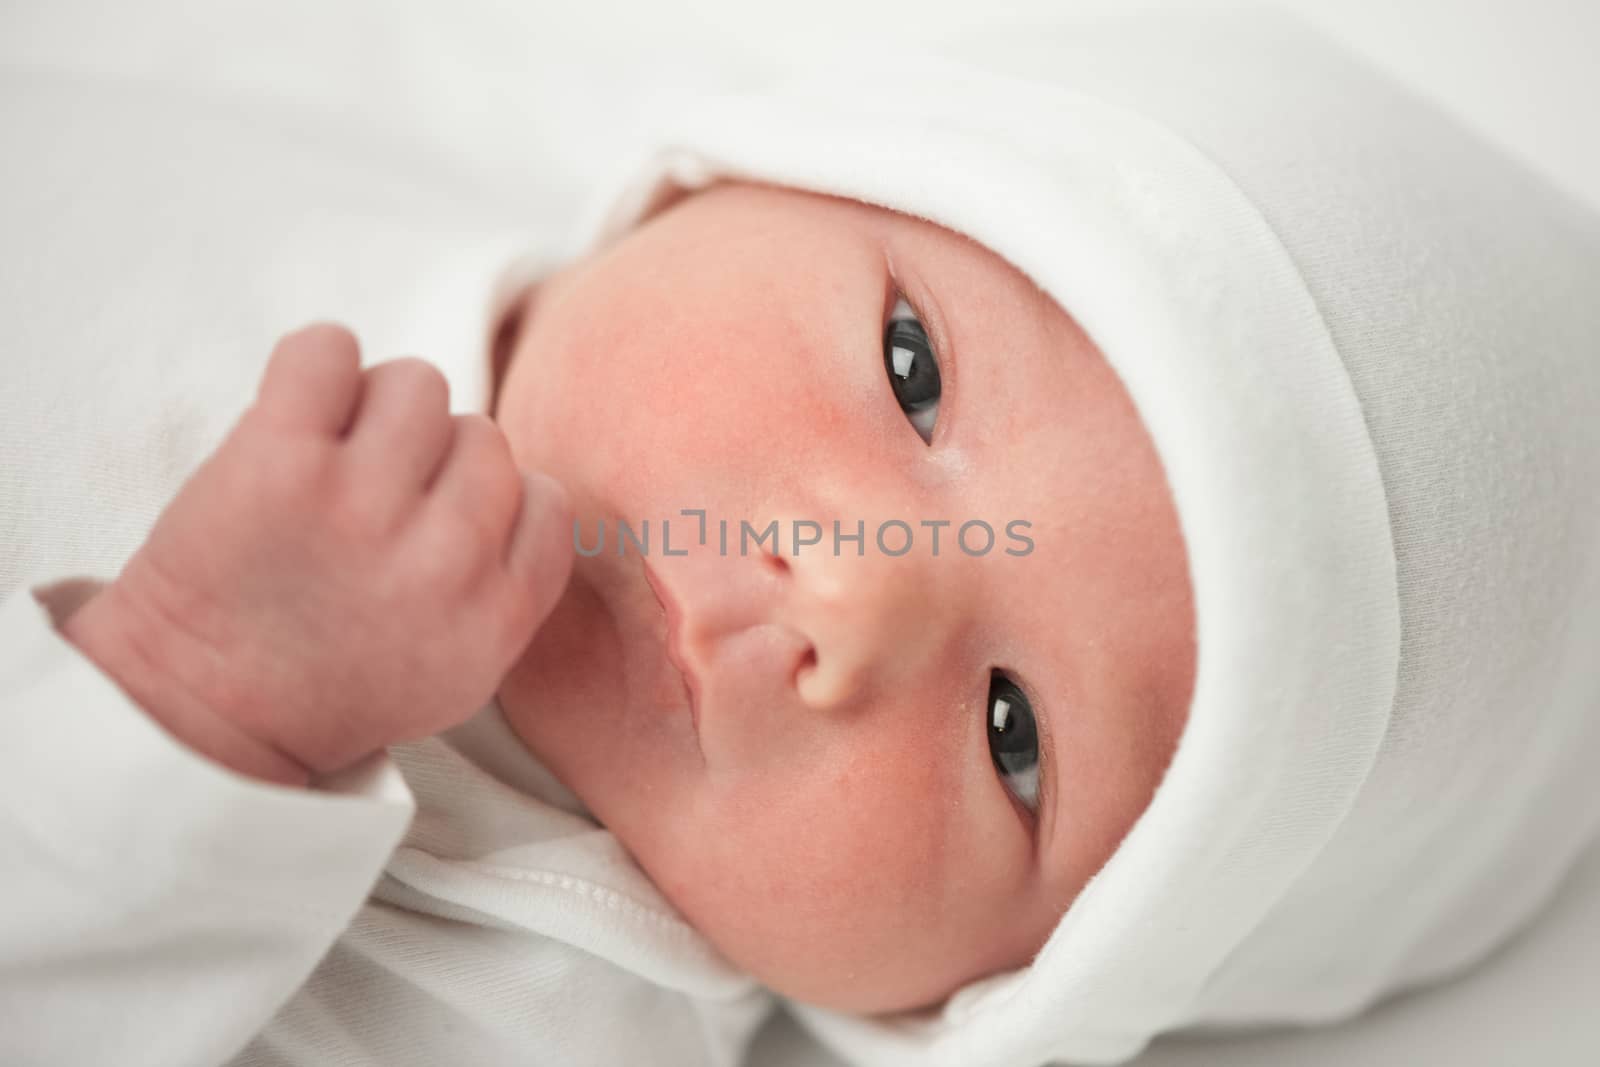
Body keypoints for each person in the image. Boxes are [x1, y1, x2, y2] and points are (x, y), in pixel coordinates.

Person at [4, 9, 1598, 1067]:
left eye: (1014, 737)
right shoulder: (388, 102)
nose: (848, 596)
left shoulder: (532, 1005)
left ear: (989, 998)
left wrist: (196, 711)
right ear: (750, 179)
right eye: (913, 373)